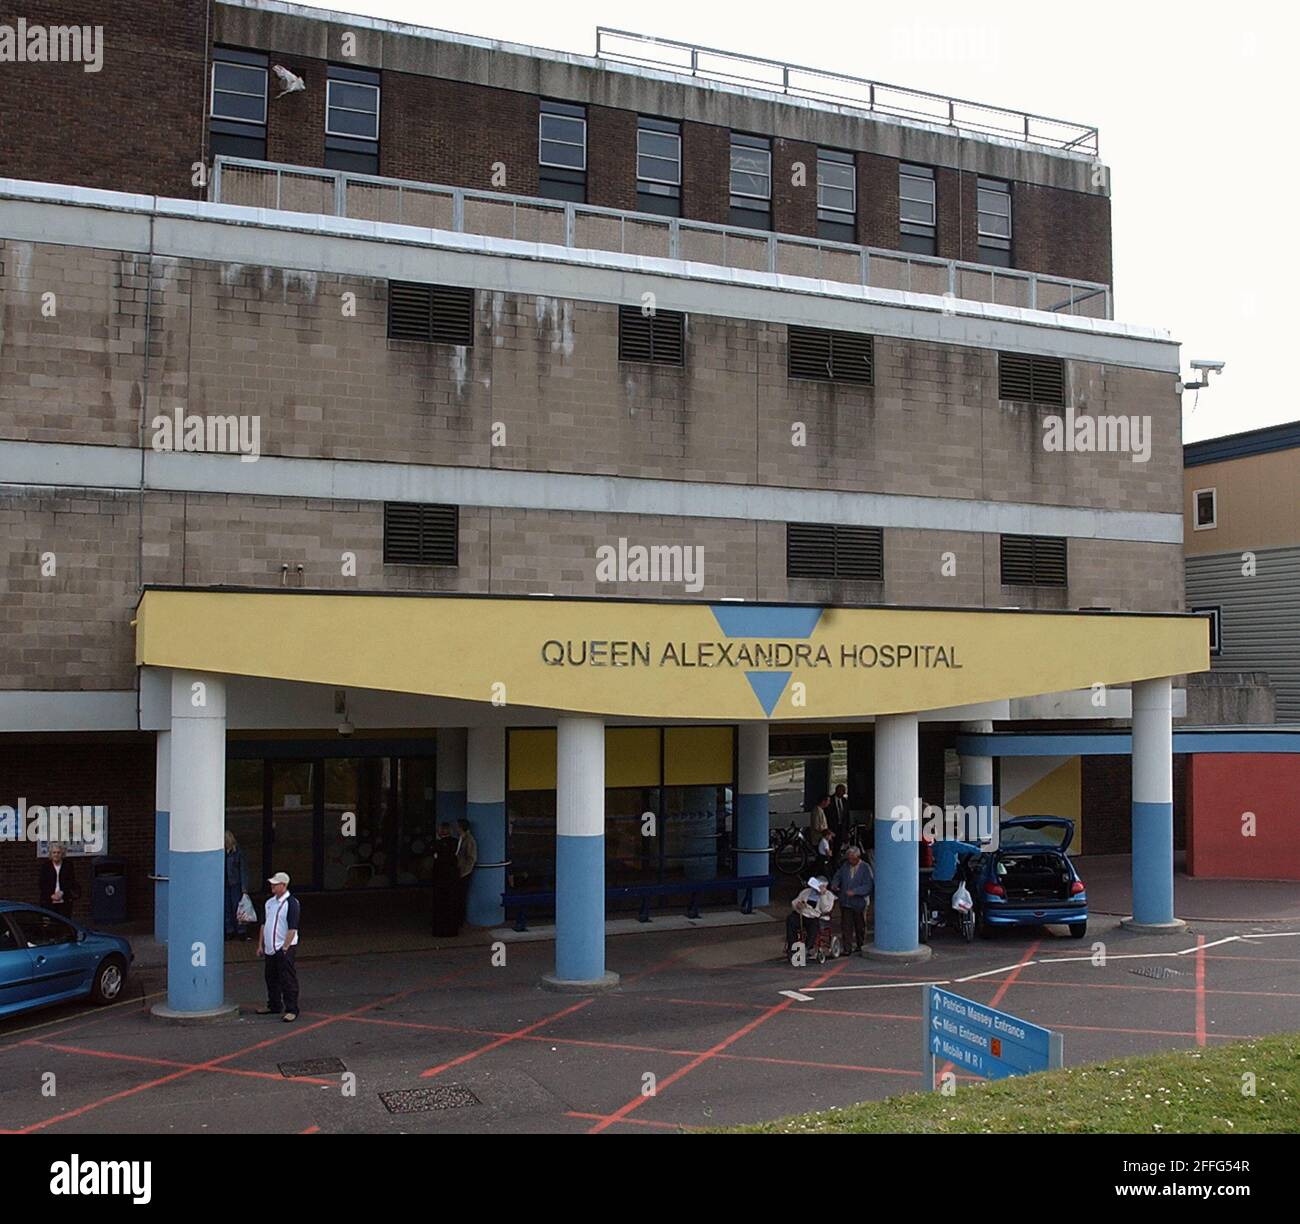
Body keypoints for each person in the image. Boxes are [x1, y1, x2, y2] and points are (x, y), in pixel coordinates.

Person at [256, 871, 300, 1022]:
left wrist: (286, 947)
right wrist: (260, 945)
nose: (272, 886)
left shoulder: (291, 903)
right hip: (270, 948)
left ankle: (292, 1009)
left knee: (287, 979)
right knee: (271, 977)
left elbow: (292, 928)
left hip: (283, 947)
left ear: (283, 885)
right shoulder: (269, 903)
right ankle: (274, 1004)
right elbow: (264, 924)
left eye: (275, 884)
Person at [829, 845, 873, 955]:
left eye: (852, 858)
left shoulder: (865, 868)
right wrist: (835, 884)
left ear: (858, 857)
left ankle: (860, 944)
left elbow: (868, 885)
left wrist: (856, 891)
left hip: (859, 902)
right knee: (846, 926)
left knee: (860, 925)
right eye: (849, 858)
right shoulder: (845, 866)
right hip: (846, 902)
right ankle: (847, 948)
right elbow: (837, 876)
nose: (850, 861)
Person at [785, 876, 834, 955]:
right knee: (790, 920)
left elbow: (826, 909)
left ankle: (808, 947)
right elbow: (794, 902)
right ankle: (792, 946)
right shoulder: (806, 892)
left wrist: (822, 895)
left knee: (814, 926)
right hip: (802, 913)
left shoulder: (829, 895)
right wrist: (797, 905)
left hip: (815, 916)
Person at [431, 822, 461, 936]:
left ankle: (440, 930)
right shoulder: (455, 843)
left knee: (440, 905)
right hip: (452, 877)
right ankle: (452, 929)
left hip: (440, 878)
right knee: (451, 903)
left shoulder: (437, 845)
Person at [38, 844, 80, 918]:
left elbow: (71, 881)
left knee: (64, 920)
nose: (56, 855)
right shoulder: (46, 866)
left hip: (64, 899)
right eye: (54, 852)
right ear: (51, 854)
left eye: (58, 852)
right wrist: (51, 895)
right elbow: (42, 883)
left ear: (62, 854)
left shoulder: (68, 865)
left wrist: (62, 892)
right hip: (49, 899)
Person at [224, 830, 250, 941]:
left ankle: (241, 930)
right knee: (226, 907)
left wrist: (244, 888)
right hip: (226, 884)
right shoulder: (222, 853)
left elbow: (243, 870)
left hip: (236, 884)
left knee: (238, 907)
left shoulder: (238, 853)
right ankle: (229, 930)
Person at [455, 818, 478, 922]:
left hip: (464, 872)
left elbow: (471, 858)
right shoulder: (461, 838)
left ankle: (460, 918)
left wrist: (464, 871)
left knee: (461, 895)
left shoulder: (469, 840)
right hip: (458, 870)